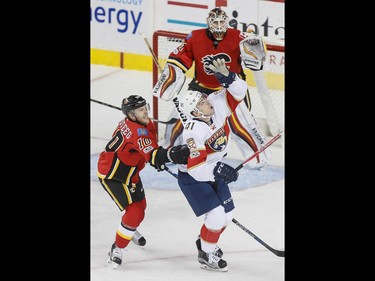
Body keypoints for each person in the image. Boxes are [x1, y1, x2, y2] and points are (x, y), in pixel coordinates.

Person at [153, 7, 269, 169]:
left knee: (242, 123)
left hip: (230, 88)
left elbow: (256, 60)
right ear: (209, 22)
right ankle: (169, 150)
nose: (219, 25)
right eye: (215, 22)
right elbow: (179, 58)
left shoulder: (238, 37)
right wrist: (172, 74)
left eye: (222, 21)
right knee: (178, 117)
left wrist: (255, 53)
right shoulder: (195, 37)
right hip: (201, 87)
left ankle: (257, 157)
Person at [96, 95, 190, 269]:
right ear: (131, 115)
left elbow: (147, 151)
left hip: (130, 172)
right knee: (135, 212)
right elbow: (151, 152)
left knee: (141, 206)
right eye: (141, 109)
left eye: (145, 107)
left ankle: (127, 229)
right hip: (113, 175)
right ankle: (117, 247)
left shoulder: (141, 124)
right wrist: (166, 157)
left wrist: (155, 159)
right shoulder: (137, 132)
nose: (146, 111)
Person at [177, 58, 247, 271]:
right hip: (193, 177)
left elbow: (239, 93)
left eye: (203, 98)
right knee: (216, 216)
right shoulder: (192, 132)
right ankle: (207, 255)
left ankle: (205, 240)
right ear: (197, 112)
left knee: (227, 216)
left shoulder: (214, 107)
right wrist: (217, 169)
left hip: (212, 168)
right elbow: (196, 169)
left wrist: (228, 78)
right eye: (201, 102)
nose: (206, 100)